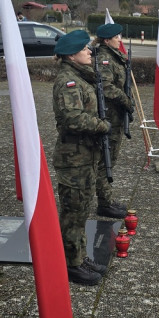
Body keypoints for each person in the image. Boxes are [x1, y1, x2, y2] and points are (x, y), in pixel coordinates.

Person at [51, 30, 111, 286]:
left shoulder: (79, 76)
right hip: (73, 159)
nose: (89, 52)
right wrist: (101, 125)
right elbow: (71, 117)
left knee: (81, 210)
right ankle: (71, 265)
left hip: (85, 156)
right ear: (72, 55)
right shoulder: (68, 81)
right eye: (84, 49)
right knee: (73, 212)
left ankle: (78, 256)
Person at [92, 23, 130, 219]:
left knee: (110, 159)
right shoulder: (105, 58)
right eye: (117, 37)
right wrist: (125, 99)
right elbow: (105, 86)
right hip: (108, 115)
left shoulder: (113, 54)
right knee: (105, 160)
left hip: (113, 115)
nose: (120, 40)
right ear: (107, 40)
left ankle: (106, 199)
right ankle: (104, 203)